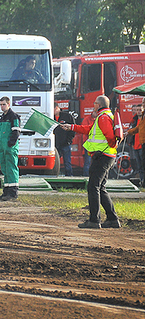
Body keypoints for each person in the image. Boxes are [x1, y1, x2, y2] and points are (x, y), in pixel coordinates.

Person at [61, 95, 120, 229]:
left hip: (102, 156)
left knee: (93, 187)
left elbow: (110, 137)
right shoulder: (105, 116)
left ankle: (94, 220)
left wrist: (108, 147)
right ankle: (112, 219)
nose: (93, 106)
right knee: (100, 188)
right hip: (106, 156)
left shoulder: (103, 117)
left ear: (98, 105)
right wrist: (71, 127)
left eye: (94, 103)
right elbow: (88, 129)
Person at [0, 96, 21, 201]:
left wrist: (11, 143)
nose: (2, 107)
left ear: (9, 104)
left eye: (4, 104)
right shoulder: (3, 117)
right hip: (2, 147)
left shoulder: (13, 116)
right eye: (1, 104)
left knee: (11, 168)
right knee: (5, 169)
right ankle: (6, 191)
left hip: (10, 147)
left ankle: (13, 192)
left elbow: (16, 131)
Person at [127, 98, 145, 187]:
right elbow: (137, 129)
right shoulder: (135, 120)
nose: (138, 112)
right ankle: (142, 182)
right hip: (137, 145)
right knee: (140, 166)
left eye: (139, 110)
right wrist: (129, 132)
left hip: (142, 144)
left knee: (143, 164)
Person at [54, 104, 75, 176]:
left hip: (66, 143)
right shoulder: (51, 116)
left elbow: (73, 128)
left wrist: (69, 140)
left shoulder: (67, 116)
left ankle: (69, 176)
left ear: (57, 108)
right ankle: (55, 175)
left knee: (67, 162)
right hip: (55, 144)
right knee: (55, 162)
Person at [81, 110, 97, 176]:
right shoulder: (86, 119)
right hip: (89, 143)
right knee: (88, 161)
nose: (96, 114)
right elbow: (84, 130)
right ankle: (86, 176)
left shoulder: (98, 120)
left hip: (96, 144)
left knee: (92, 161)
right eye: (95, 112)